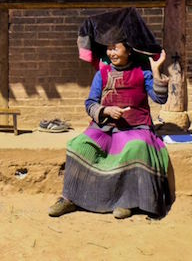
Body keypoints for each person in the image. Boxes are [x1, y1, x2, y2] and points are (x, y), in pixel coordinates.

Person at [48, 42, 174, 219]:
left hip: (136, 127)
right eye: (109, 49)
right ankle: (70, 198)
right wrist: (106, 110)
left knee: (135, 147)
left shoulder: (142, 73)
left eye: (116, 48)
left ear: (129, 51)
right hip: (104, 127)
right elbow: (90, 103)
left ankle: (126, 202)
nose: (111, 52)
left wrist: (155, 70)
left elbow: (160, 98)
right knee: (78, 145)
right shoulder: (102, 73)